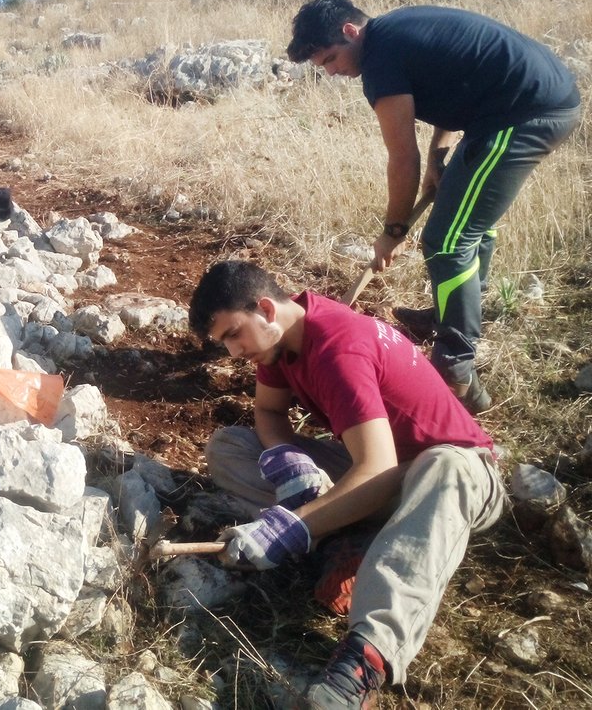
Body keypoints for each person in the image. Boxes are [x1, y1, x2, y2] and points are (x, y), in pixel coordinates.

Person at [189, 260, 504, 710]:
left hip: (458, 477)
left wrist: (290, 526)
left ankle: (367, 659)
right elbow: (269, 414)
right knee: (231, 446)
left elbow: (376, 472)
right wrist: (288, 459)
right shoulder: (282, 342)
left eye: (233, 334)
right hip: (384, 471)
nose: (233, 352)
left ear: (265, 309)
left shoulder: (338, 348)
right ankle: (351, 532)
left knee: (443, 466)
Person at [286, 0, 581, 412]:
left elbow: (402, 157)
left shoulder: (381, 60)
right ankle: (450, 314)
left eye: (331, 58)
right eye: (324, 67)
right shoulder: (398, 31)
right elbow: (453, 82)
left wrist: (393, 230)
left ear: (350, 32)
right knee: (468, 221)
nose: (333, 72)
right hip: (518, 106)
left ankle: (455, 366)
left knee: (447, 240)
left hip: (524, 114)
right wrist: (440, 157)